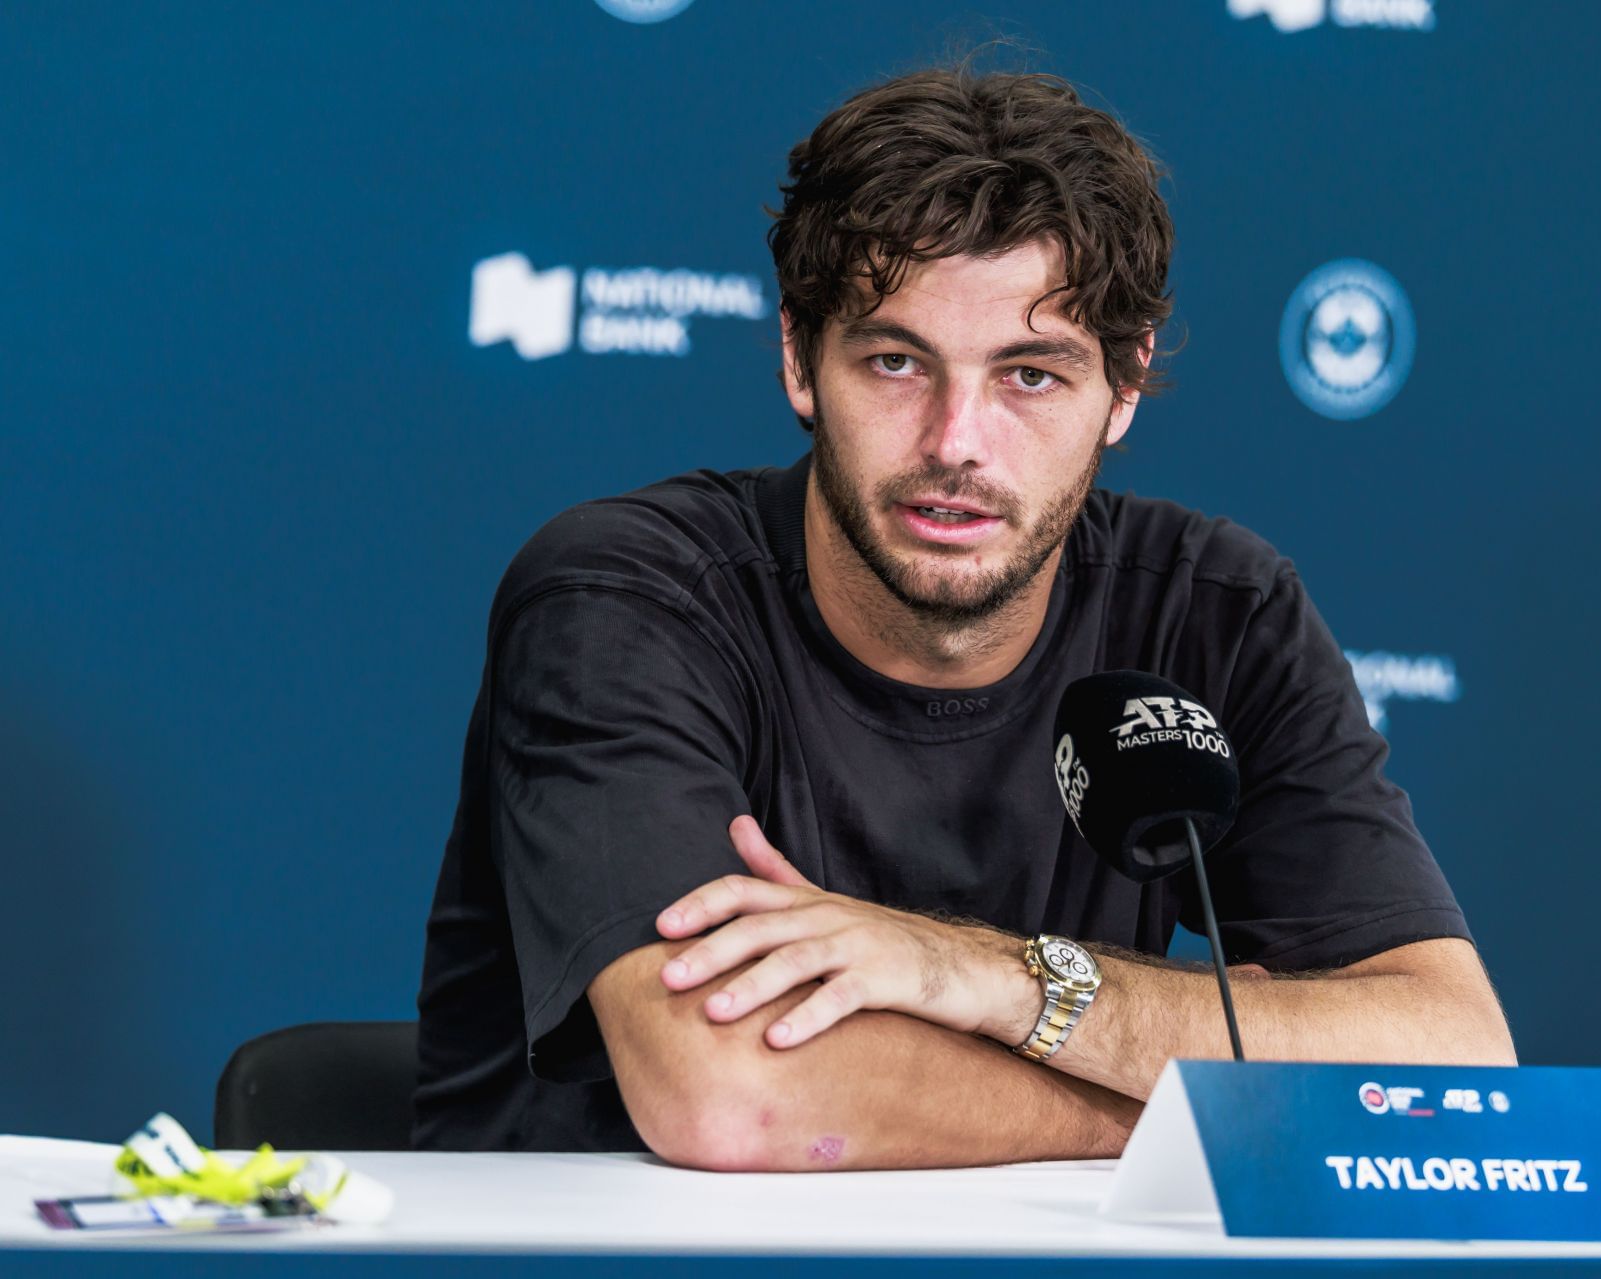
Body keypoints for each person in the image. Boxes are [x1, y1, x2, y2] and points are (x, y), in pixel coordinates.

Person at [413, 63, 1515, 1167]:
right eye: (896, 361)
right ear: (799, 357)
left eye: (1030, 375)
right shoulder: (625, 599)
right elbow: (736, 1098)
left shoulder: (1216, 610)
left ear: (1126, 387)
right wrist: (1211, 1100)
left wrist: (982, 975)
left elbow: (1454, 1055)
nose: (956, 443)